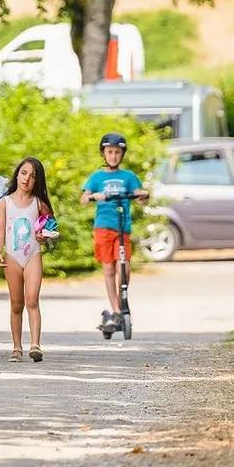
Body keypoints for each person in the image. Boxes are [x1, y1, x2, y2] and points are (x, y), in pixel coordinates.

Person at [80, 131, 149, 330]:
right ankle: (116, 310)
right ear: (104, 153)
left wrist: (143, 195)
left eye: (117, 152)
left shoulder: (129, 177)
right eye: (110, 152)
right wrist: (94, 196)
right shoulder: (97, 177)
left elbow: (138, 194)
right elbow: (84, 199)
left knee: (124, 269)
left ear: (122, 154)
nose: (113, 156)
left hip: (122, 228)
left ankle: (121, 304)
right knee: (109, 269)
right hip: (103, 227)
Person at [0, 157, 52, 363]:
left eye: (33, 176)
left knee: (32, 300)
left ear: (38, 181)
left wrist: (44, 237)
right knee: (16, 304)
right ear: (17, 174)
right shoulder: (5, 202)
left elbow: (51, 228)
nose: (26, 179)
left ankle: (35, 345)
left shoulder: (38, 204)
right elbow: (0, 229)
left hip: (33, 256)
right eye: (23, 173)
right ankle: (16, 347)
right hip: (12, 257)